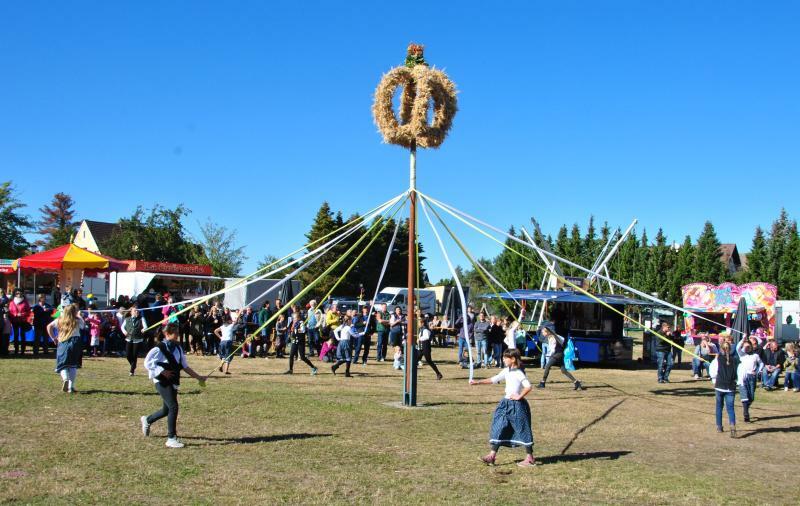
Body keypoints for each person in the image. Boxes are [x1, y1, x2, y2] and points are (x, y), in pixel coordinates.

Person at [141, 322, 207, 449]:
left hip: (173, 381)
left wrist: (199, 377)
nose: (177, 335)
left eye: (178, 333)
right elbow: (147, 363)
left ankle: (148, 420)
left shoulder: (178, 348)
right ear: (167, 334)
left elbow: (185, 366)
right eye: (175, 333)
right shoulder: (159, 348)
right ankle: (171, 438)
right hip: (161, 382)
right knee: (173, 407)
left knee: (167, 410)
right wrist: (162, 371)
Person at [470, 349, 536, 468]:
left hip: (517, 405)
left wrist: (519, 396)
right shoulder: (507, 370)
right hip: (504, 404)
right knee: (498, 426)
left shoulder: (518, 372)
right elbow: (493, 379)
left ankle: (530, 458)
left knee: (522, 429)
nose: (503, 359)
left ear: (513, 359)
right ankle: (492, 456)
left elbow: (528, 386)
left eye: (506, 358)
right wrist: (478, 382)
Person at [47, 304, 85, 393]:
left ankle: (65, 379)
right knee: (73, 365)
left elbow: (49, 326)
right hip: (75, 342)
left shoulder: (59, 320)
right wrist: (79, 316)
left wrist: (53, 338)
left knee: (62, 363)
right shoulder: (77, 320)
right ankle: (71, 387)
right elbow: (83, 326)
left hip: (63, 342)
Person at [537, 322, 583, 390]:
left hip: (557, 354)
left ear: (546, 332)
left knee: (547, 366)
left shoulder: (551, 338)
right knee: (563, 370)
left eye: (543, 332)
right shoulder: (554, 336)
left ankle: (542, 383)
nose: (542, 333)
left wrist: (549, 355)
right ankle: (576, 383)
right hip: (561, 354)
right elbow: (563, 340)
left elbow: (552, 349)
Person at [709, 339, 738, 437]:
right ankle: (732, 425)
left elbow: (713, 372)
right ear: (730, 349)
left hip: (720, 386)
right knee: (730, 409)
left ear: (721, 349)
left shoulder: (718, 359)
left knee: (719, 407)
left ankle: (719, 426)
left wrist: (714, 382)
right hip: (731, 387)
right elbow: (736, 373)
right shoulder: (735, 360)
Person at [736, 337, 763, 423]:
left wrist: (758, 371)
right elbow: (737, 347)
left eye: (748, 346)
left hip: (752, 377)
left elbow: (761, 363)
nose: (747, 348)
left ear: (751, 347)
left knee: (751, 397)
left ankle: (745, 409)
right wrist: (743, 339)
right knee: (745, 396)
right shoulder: (742, 355)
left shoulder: (755, 356)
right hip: (743, 377)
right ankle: (746, 414)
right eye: (745, 347)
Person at [285, 311, 317, 375]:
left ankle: (313, 367)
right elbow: (290, 329)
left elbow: (303, 330)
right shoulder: (293, 323)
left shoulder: (301, 322)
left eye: (295, 318)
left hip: (300, 342)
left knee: (302, 357)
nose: (294, 319)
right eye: (293, 318)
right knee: (291, 355)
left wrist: (296, 330)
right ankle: (290, 370)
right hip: (294, 341)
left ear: (298, 318)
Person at [418, 314, 442, 380]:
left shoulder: (425, 329)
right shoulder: (421, 329)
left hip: (426, 347)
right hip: (421, 348)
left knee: (429, 361)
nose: (418, 324)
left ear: (422, 323)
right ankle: (412, 374)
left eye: (419, 323)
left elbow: (427, 337)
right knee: (415, 360)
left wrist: (419, 339)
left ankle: (438, 373)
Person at [8, 289, 31, 355]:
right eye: (17, 293)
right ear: (15, 294)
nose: (19, 294)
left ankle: (23, 350)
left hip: (23, 321)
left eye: (20, 293)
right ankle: (16, 350)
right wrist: (15, 314)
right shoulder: (12, 302)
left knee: (22, 335)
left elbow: (28, 312)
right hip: (15, 321)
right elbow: (10, 312)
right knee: (16, 335)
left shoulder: (25, 302)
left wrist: (22, 314)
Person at [123, 307, 145, 376]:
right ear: (131, 312)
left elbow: (145, 326)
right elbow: (122, 327)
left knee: (134, 355)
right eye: (135, 311)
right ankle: (133, 365)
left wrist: (144, 329)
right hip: (129, 338)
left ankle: (132, 370)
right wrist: (124, 332)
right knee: (128, 355)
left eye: (137, 311)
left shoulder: (141, 318)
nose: (137, 312)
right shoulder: (127, 319)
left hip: (137, 339)